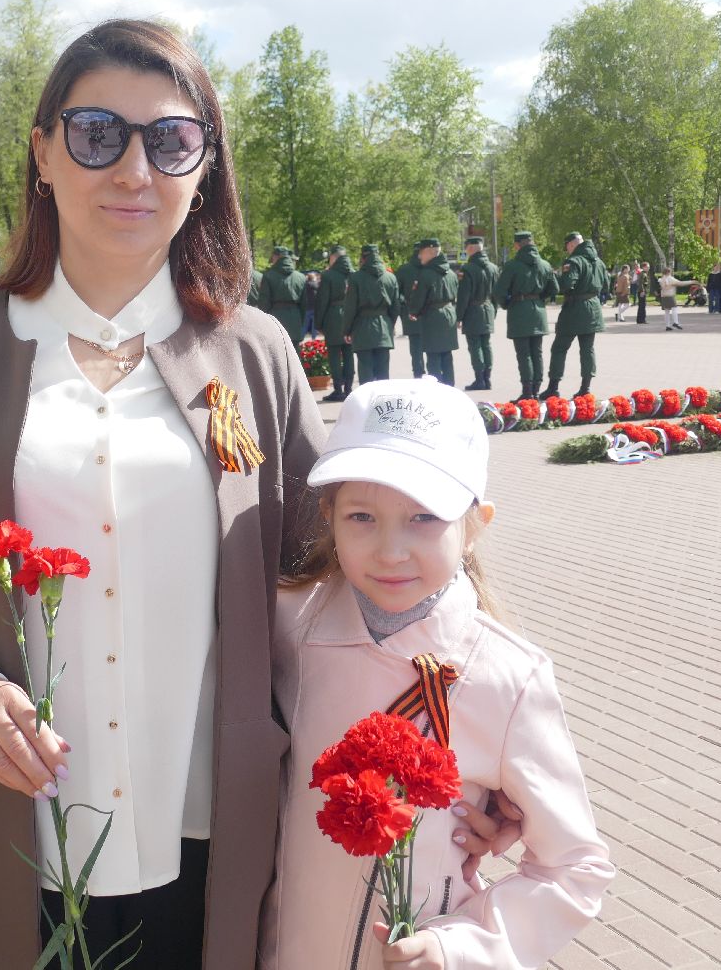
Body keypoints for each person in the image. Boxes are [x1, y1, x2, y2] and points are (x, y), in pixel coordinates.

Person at [0, 19, 332, 968]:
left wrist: (459, 732)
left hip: (212, 839)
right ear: (44, 151)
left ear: (204, 167)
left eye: (171, 140)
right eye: (99, 133)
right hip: (8, 842)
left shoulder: (255, 354)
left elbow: (326, 573)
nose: (134, 169)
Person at [262, 379, 615, 970]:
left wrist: (461, 947)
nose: (390, 549)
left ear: (476, 522)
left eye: (424, 517)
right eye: (361, 516)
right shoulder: (288, 625)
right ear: (328, 515)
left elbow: (576, 867)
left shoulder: (506, 675)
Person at [542, 232, 608, 400]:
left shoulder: (574, 261)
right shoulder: (599, 262)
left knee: (559, 348)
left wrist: (555, 277)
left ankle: (553, 387)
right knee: (587, 349)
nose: (567, 250)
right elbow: (606, 286)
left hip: (574, 309)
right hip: (593, 308)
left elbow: (566, 285)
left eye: (567, 246)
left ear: (572, 244)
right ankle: (585, 388)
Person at [493, 232, 557, 402]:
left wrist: (507, 304)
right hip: (538, 312)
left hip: (519, 311)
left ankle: (527, 391)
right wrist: (539, 297)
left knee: (524, 354)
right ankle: (536, 390)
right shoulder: (544, 264)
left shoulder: (512, 265)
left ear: (517, 245)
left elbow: (499, 292)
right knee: (537, 352)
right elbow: (554, 289)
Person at [343, 244, 398, 386]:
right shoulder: (390, 277)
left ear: (363, 258)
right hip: (384, 327)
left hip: (362, 328)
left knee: (365, 373)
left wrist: (347, 330)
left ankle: (367, 406)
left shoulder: (356, 278)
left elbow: (350, 307)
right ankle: (383, 405)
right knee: (383, 374)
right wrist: (390, 324)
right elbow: (396, 307)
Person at [404, 239, 457, 386]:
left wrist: (413, 312)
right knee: (447, 356)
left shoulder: (426, 274)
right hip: (449, 314)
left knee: (433, 357)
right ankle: (450, 388)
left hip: (433, 317)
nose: (419, 257)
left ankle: (436, 391)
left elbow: (419, 298)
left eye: (421, 253)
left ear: (429, 252)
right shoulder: (451, 272)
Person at [455, 237, 498, 391]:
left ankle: (479, 379)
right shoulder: (493, 268)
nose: (465, 250)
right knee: (486, 345)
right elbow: (496, 293)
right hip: (488, 308)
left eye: (466, 247)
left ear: (472, 249)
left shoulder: (468, 269)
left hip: (473, 311)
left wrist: (459, 316)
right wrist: (494, 310)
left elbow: (463, 296)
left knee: (475, 346)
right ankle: (487, 379)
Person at [316, 246, 354, 402]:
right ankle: (349, 388)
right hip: (350, 315)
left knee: (334, 354)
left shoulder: (328, 275)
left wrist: (319, 323)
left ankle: (338, 389)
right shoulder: (355, 274)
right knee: (349, 353)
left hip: (333, 316)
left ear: (334, 258)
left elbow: (322, 301)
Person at [257, 247, 307, 352]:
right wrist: (299, 321)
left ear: (276, 257)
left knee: (276, 355)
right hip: (295, 319)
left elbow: (264, 302)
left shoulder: (268, 276)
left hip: (275, 320)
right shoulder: (301, 277)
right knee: (295, 356)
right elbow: (304, 305)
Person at [394, 242, 428, 379]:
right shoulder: (431, 268)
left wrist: (403, 306)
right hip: (430, 312)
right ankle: (434, 375)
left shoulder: (404, 270)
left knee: (415, 346)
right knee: (433, 346)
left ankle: (418, 373)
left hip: (411, 312)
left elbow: (396, 293)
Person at [656, 267, 686, 331]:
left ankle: (667, 326)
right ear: (669, 272)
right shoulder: (670, 278)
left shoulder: (661, 279)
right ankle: (676, 322)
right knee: (674, 308)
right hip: (670, 295)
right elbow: (679, 283)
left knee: (667, 311)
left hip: (664, 296)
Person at [301, 271, 320, 340]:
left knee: (305, 325)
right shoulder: (314, 284)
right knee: (314, 325)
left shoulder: (305, 285)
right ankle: (313, 338)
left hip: (307, 307)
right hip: (314, 308)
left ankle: (301, 337)